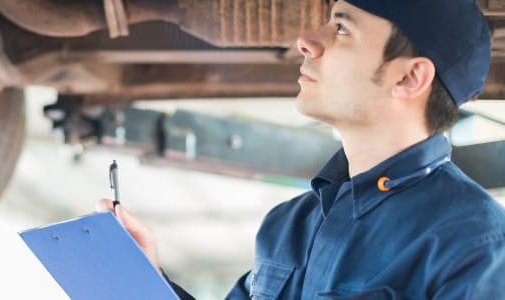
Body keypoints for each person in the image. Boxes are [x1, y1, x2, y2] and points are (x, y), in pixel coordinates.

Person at [96, 0, 505, 298]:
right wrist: (146, 278)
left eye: (342, 29)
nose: (306, 41)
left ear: (410, 77)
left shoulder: (475, 244)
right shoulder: (288, 226)